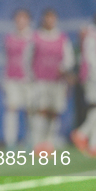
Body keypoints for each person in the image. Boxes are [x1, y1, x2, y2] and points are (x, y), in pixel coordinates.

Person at [27, 9, 74, 153]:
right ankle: (37, 143)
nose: (49, 20)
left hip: (57, 82)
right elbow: (27, 58)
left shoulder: (62, 38)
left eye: (52, 18)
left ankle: (49, 143)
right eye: (47, 18)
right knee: (40, 110)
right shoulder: (35, 37)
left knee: (54, 112)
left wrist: (64, 69)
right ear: (43, 19)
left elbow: (69, 59)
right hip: (40, 81)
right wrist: (30, 76)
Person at [2, 9, 33, 150]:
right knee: (11, 109)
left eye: (23, 18)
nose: (20, 21)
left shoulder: (34, 37)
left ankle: (30, 141)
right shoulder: (8, 38)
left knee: (30, 111)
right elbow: (4, 59)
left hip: (29, 80)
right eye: (18, 18)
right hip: (11, 79)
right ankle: (10, 143)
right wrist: (2, 78)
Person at [71, 12, 96, 156]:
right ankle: (82, 133)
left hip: (94, 77)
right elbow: (90, 59)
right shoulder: (91, 35)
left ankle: (94, 144)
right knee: (95, 107)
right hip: (92, 78)